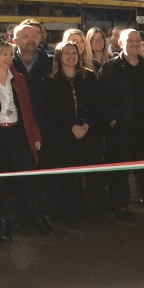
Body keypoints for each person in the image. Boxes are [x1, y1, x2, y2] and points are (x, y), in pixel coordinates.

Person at [97, 29, 144, 219]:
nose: (135, 44)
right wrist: (113, 122)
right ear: (121, 44)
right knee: (120, 172)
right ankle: (120, 205)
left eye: (138, 40)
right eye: (130, 40)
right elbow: (101, 98)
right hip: (122, 129)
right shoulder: (109, 68)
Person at [42, 41, 106, 227]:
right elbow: (50, 111)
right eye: (67, 53)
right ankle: (73, 214)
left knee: (94, 176)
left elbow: (97, 104)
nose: (71, 56)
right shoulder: (50, 81)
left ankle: (96, 213)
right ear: (59, 57)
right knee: (70, 178)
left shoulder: (89, 76)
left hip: (90, 133)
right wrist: (70, 127)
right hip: (65, 136)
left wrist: (87, 124)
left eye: (74, 53)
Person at [0, 40, 53, 240]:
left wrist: (35, 135)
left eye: (11, 54)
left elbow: (28, 110)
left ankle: (37, 218)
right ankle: (2, 224)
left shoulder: (18, 78)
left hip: (17, 132)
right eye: (4, 54)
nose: (9, 58)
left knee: (27, 177)